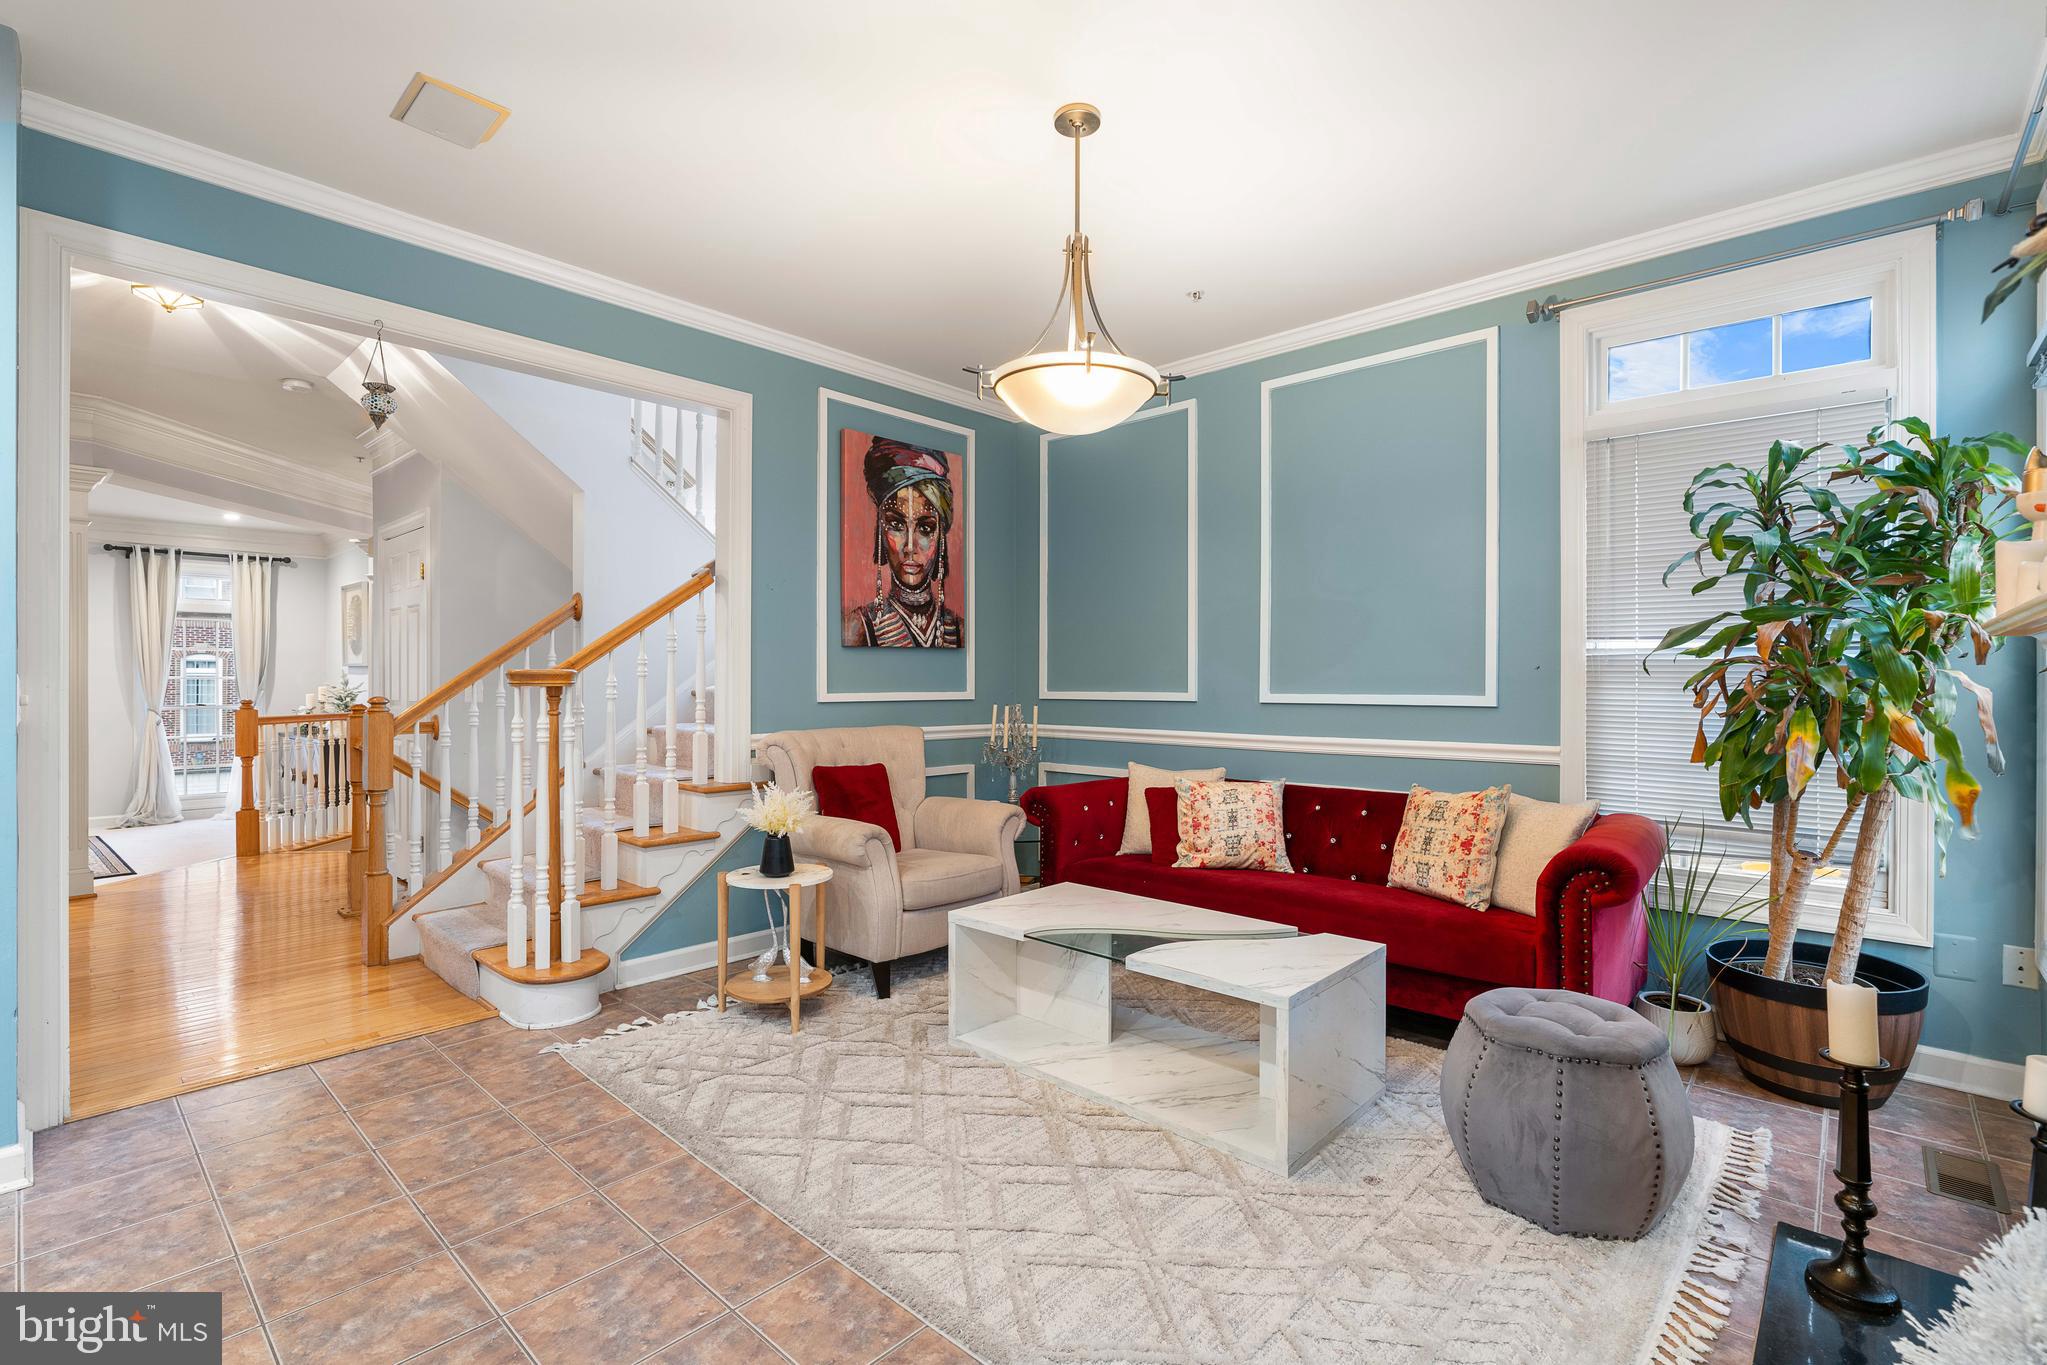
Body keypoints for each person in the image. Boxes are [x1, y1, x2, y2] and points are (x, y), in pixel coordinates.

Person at [842, 435, 963, 649]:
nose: (909, 547)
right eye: (896, 525)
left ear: (941, 536)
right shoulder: (858, 627)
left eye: (925, 529)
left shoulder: (960, 630)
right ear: (880, 530)